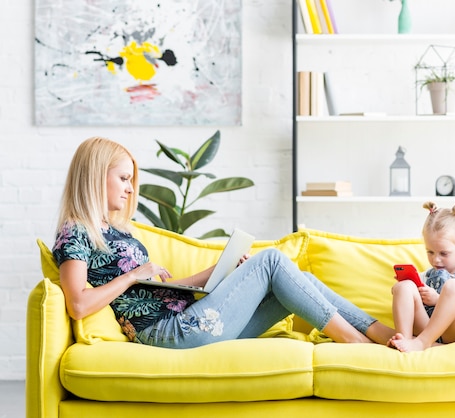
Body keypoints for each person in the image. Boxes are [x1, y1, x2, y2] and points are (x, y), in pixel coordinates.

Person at [52, 136, 396, 349]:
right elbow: (78, 305)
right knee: (272, 260)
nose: (130, 188)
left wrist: (221, 270)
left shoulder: (118, 231)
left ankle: (382, 333)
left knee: (298, 281)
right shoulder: (75, 231)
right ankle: (354, 341)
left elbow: (162, 291)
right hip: (173, 333)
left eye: (131, 179)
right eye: (124, 178)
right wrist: (131, 275)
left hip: (188, 319)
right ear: (97, 175)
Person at [387, 201, 455, 352]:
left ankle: (421, 343)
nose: (436, 260)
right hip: (426, 326)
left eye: (443, 253)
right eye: (430, 252)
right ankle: (404, 340)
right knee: (404, 286)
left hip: (454, 332)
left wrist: (438, 299)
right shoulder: (427, 274)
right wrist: (404, 286)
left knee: (453, 286)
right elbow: (405, 297)